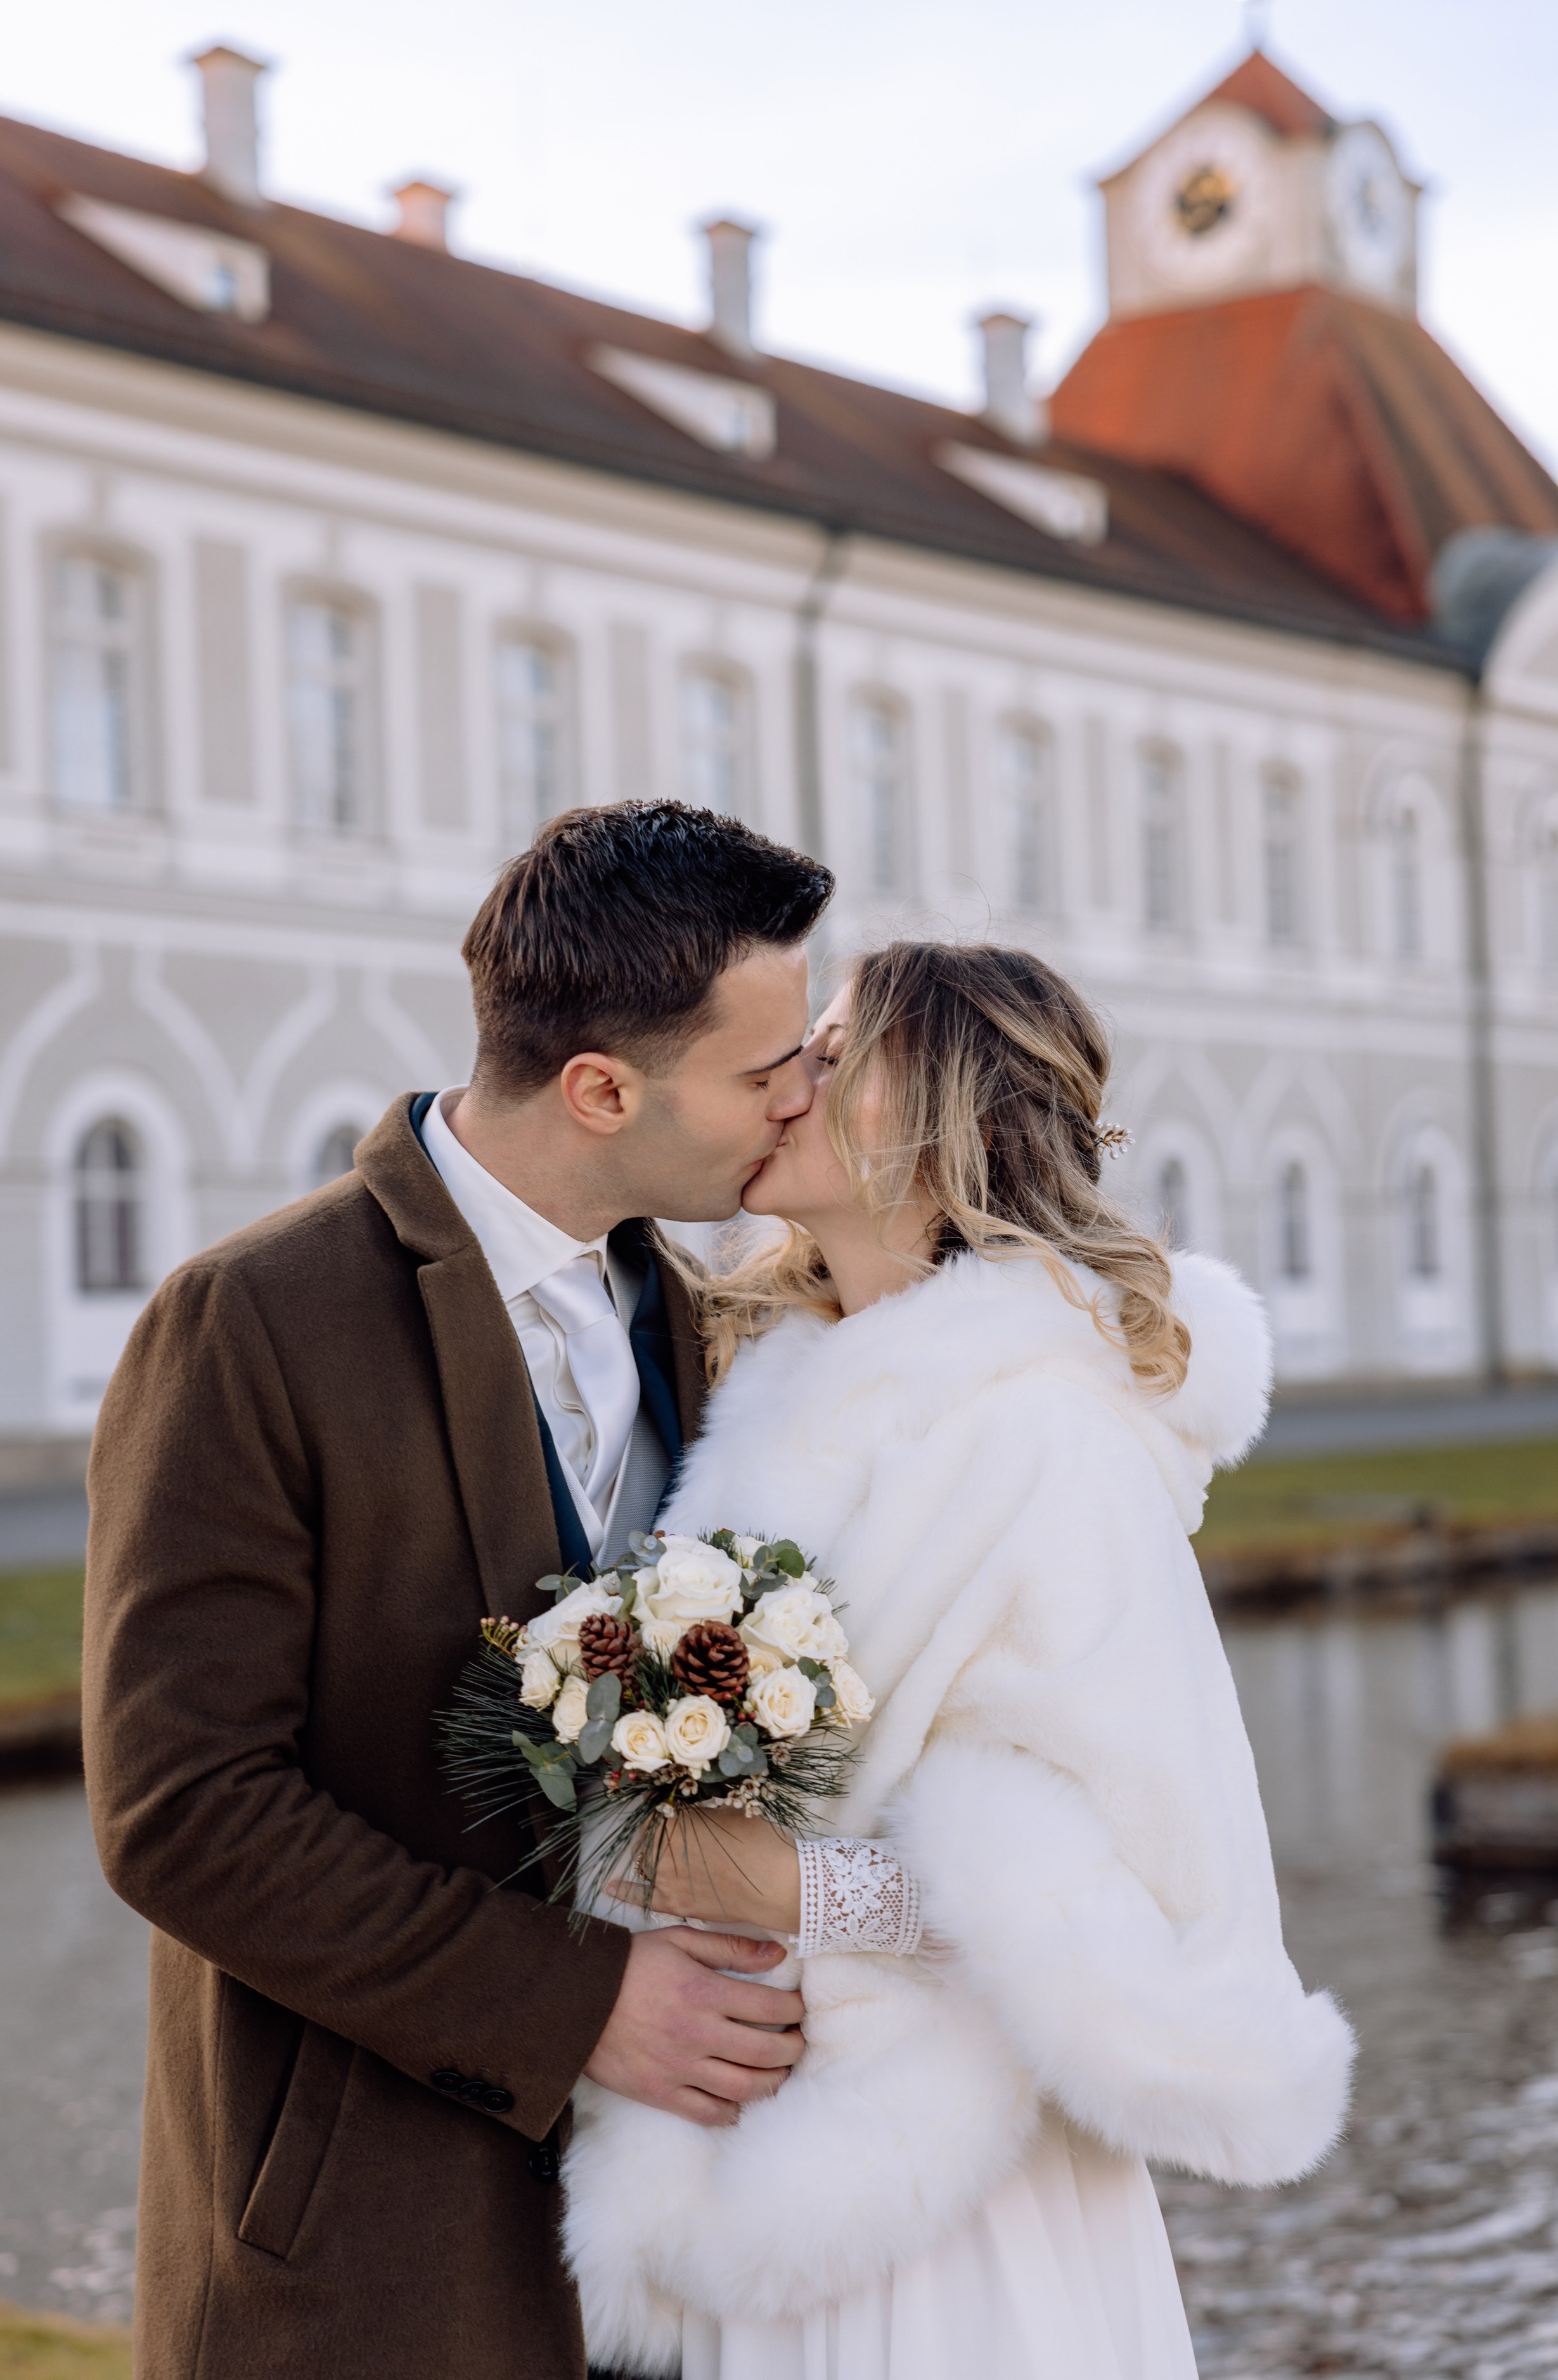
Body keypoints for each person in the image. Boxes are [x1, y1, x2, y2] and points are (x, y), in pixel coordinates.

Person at [80, 801, 835, 2380]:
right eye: (765, 1070)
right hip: (370, 2245)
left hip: (684, 2243)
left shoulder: (716, 1325)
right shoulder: (251, 1320)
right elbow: (183, 1805)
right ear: (601, 1088)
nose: (800, 1097)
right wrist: (572, 2008)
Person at [562, 941, 1355, 2380]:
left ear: (942, 1113)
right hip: (764, 2127)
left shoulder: (1046, 1434)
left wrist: (786, 1882)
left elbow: (1133, 1882)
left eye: (833, 1048)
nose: (783, 1080)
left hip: (944, 2195)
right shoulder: (772, 1386)